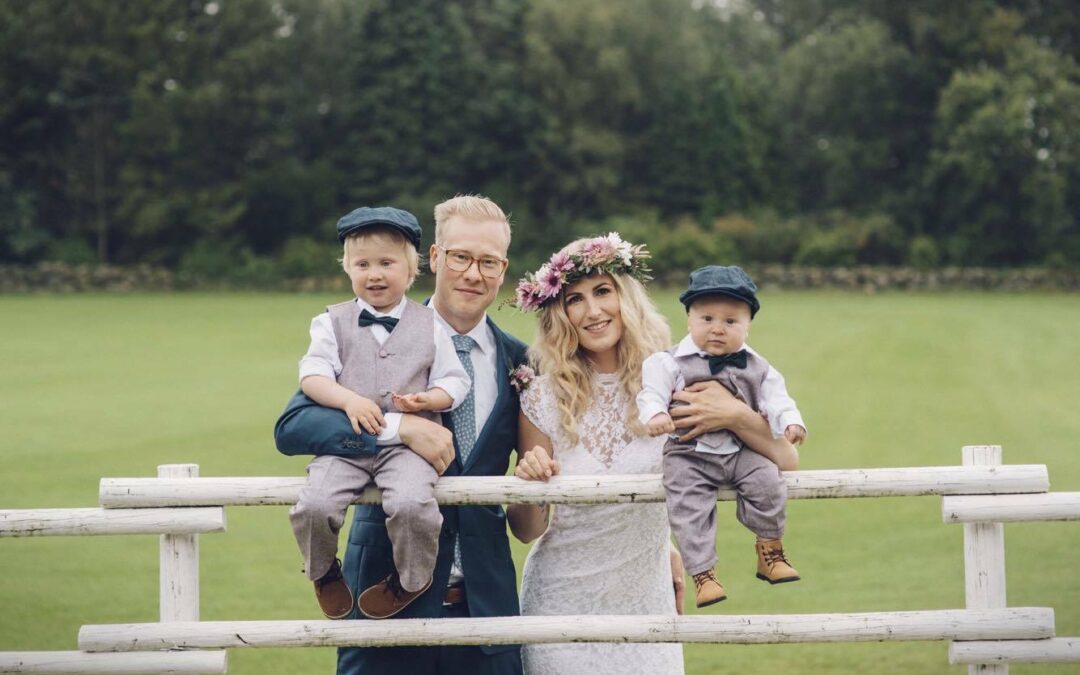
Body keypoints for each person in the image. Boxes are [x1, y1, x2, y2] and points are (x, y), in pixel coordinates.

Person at [275, 195, 527, 675]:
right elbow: (293, 428)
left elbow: (542, 489)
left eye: (488, 261)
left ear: (503, 269)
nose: (473, 273)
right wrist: (399, 428)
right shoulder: (354, 330)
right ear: (433, 257)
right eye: (460, 257)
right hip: (380, 608)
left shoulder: (522, 361)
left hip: (487, 610)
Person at [505, 233, 684, 675]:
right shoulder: (541, 397)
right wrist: (528, 484)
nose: (592, 311)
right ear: (560, 314)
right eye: (575, 299)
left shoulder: (674, 384)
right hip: (559, 603)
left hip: (646, 603)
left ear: (627, 297)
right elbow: (526, 531)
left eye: (603, 291)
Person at [289, 206, 470, 620]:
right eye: (362, 264)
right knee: (314, 504)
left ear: (410, 270)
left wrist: (430, 400)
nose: (374, 274)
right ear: (347, 269)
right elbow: (312, 376)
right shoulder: (329, 322)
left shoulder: (431, 325)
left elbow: (455, 381)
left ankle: (412, 578)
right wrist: (347, 400)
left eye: (386, 263)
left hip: (408, 451)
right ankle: (323, 571)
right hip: (346, 446)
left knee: (412, 505)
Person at [637, 265, 807, 608]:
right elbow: (651, 394)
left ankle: (770, 550)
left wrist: (791, 421)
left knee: (768, 482)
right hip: (689, 453)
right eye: (707, 319)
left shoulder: (760, 367)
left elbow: (778, 400)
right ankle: (703, 574)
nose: (717, 328)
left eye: (731, 321)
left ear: (748, 325)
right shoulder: (667, 363)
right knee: (688, 504)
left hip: (741, 450)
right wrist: (656, 415)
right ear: (689, 319)